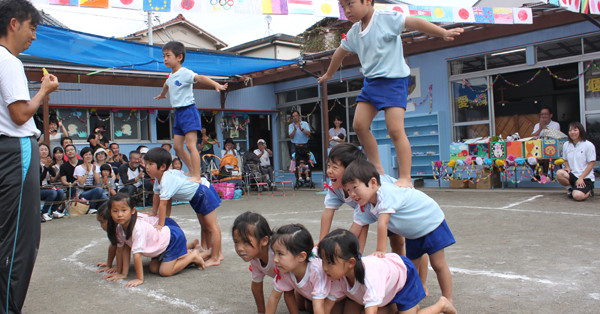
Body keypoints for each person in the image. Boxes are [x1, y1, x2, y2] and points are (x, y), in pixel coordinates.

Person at [317, 1, 463, 188]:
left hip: (394, 81)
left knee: (395, 129)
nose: (347, 10)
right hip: (371, 83)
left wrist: (442, 32)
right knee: (359, 125)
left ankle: (405, 178)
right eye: (343, 7)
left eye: (351, 4)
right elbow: (339, 52)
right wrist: (329, 74)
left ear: (368, 1)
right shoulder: (354, 32)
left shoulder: (386, 18)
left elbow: (415, 22)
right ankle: (377, 168)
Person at [0, 1, 59, 311]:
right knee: (20, 239)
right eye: (32, 28)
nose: (33, 37)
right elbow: (21, 114)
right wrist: (44, 90)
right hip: (15, 151)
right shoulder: (8, 61)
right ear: (14, 24)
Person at [342, 159, 455, 303]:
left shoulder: (386, 192)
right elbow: (354, 230)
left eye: (355, 188)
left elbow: (383, 223)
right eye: (348, 190)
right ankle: (413, 299)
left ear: (373, 182)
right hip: (413, 233)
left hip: (430, 222)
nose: (352, 194)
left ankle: (448, 299)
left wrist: (380, 251)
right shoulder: (365, 205)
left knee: (438, 264)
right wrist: (341, 251)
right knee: (410, 269)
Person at [318, 229, 456, 314]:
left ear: (351, 263)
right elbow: (328, 306)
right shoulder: (337, 276)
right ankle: (394, 305)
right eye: (323, 261)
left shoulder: (370, 276)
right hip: (385, 282)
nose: (324, 268)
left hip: (403, 275)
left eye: (329, 263)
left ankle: (441, 305)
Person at [154, 41, 227, 183]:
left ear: (179, 57)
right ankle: (192, 170)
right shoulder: (171, 76)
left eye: (168, 55)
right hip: (178, 114)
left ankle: (197, 175)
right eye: (163, 56)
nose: (165, 59)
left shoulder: (185, 73)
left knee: (190, 145)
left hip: (188, 111)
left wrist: (215, 84)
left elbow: (200, 78)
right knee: (177, 147)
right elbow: (166, 85)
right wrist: (163, 94)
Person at [104, 193, 208, 287]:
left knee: (165, 272)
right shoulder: (120, 228)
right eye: (115, 211)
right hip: (160, 246)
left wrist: (140, 279)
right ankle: (186, 254)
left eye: (123, 210)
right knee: (153, 269)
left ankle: (193, 256)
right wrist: (122, 273)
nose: (119, 215)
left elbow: (137, 255)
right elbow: (124, 249)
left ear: (132, 210)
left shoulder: (137, 228)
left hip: (172, 239)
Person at [144, 147, 223, 267]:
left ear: (162, 167)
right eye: (146, 164)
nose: (147, 167)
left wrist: (161, 224)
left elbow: (164, 203)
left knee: (212, 226)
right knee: (204, 226)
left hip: (203, 192)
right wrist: (155, 213)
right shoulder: (159, 179)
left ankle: (217, 256)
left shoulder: (167, 179)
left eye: (150, 164)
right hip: (196, 196)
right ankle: (207, 250)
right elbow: (157, 196)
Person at [265, 224, 345, 314]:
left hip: (338, 296)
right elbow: (274, 298)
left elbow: (319, 306)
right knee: (308, 307)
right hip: (315, 294)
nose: (275, 259)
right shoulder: (284, 269)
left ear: (301, 256)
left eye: (280, 254)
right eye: (274, 253)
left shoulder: (316, 271)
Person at [232, 212, 295, 314]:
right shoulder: (255, 257)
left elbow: (288, 292)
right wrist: (261, 311)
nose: (239, 248)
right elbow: (256, 285)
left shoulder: (277, 254)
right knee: (303, 305)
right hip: (296, 283)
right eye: (236, 242)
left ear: (264, 240)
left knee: (308, 305)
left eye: (246, 242)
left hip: (312, 280)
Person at [556, 121, 596, 201]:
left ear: (580, 131)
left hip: (585, 177)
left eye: (575, 130)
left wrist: (581, 177)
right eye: (570, 130)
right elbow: (565, 159)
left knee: (577, 196)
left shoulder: (588, 145)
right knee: (559, 173)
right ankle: (571, 189)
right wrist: (567, 167)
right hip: (573, 175)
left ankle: (589, 190)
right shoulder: (566, 145)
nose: (572, 132)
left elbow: (591, 164)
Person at [74, 147, 107, 214]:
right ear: (82, 156)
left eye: (90, 154)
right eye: (86, 155)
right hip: (83, 192)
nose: (88, 156)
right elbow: (81, 183)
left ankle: (97, 209)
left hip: (93, 190)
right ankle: (92, 208)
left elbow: (97, 182)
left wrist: (94, 171)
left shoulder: (96, 167)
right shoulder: (78, 168)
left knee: (105, 197)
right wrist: (87, 171)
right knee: (99, 190)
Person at [39, 143, 64, 221]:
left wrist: (49, 166)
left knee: (60, 191)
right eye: (41, 150)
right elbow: (39, 179)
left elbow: (53, 175)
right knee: (53, 193)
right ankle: (44, 213)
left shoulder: (48, 162)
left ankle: (54, 211)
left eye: (46, 150)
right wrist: (45, 168)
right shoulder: (35, 163)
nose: (44, 152)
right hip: (38, 189)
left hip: (46, 187)